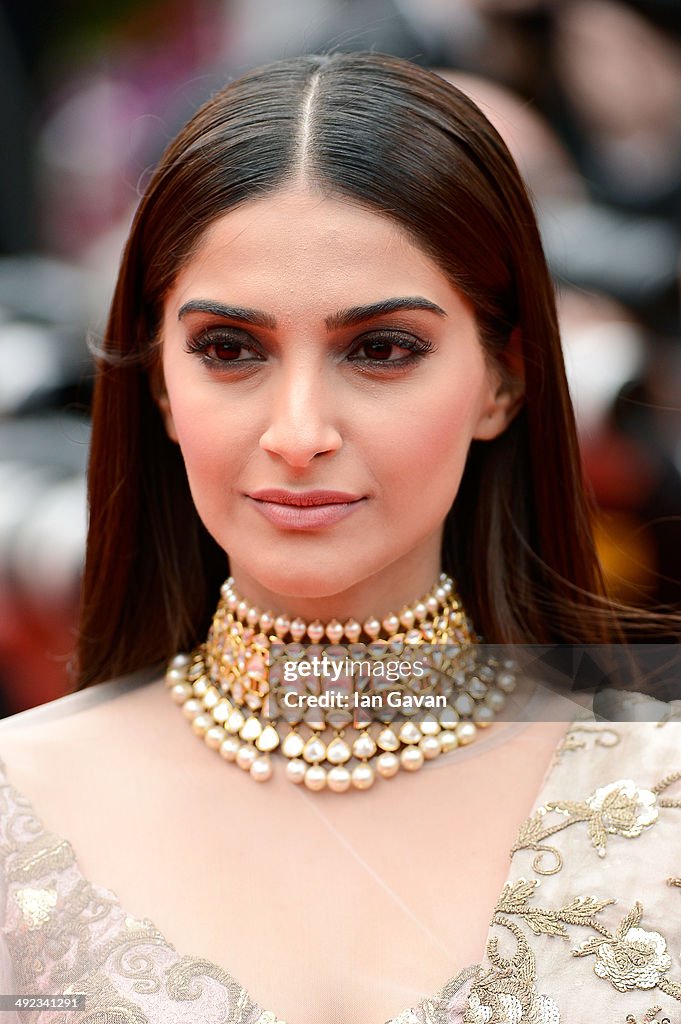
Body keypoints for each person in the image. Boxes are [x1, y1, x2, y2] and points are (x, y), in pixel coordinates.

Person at [0, 51, 679, 1024]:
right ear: (159, 381)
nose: (299, 432)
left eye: (381, 350)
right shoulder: (17, 806)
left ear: (505, 377)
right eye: (229, 350)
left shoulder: (662, 800)